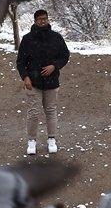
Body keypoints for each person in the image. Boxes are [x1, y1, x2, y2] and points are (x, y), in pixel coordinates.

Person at [16, 8, 70, 155]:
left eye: (45, 18)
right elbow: (20, 61)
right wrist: (25, 77)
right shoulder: (27, 39)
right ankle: (31, 141)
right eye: (40, 19)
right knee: (33, 113)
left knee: (51, 111)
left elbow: (65, 55)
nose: (43, 21)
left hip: (52, 82)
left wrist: (54, 66)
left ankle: (51, 139)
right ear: (35, 21)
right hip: (33, 83)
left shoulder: (56, 37)